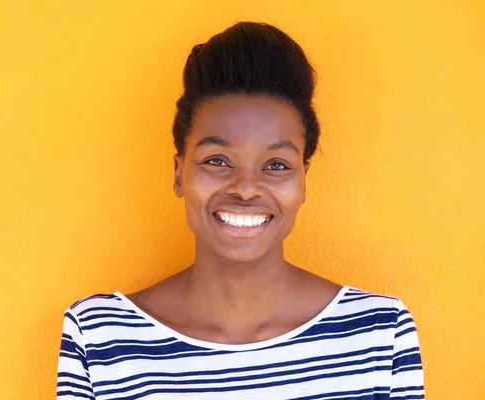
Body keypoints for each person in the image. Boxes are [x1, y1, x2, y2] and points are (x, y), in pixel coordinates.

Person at [56, 22, 424, 399]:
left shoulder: (378, 333)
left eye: (276, 165)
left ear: (303, 182)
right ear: (180, 175)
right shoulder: (101, 337)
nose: (246, 188)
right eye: (217, 160)